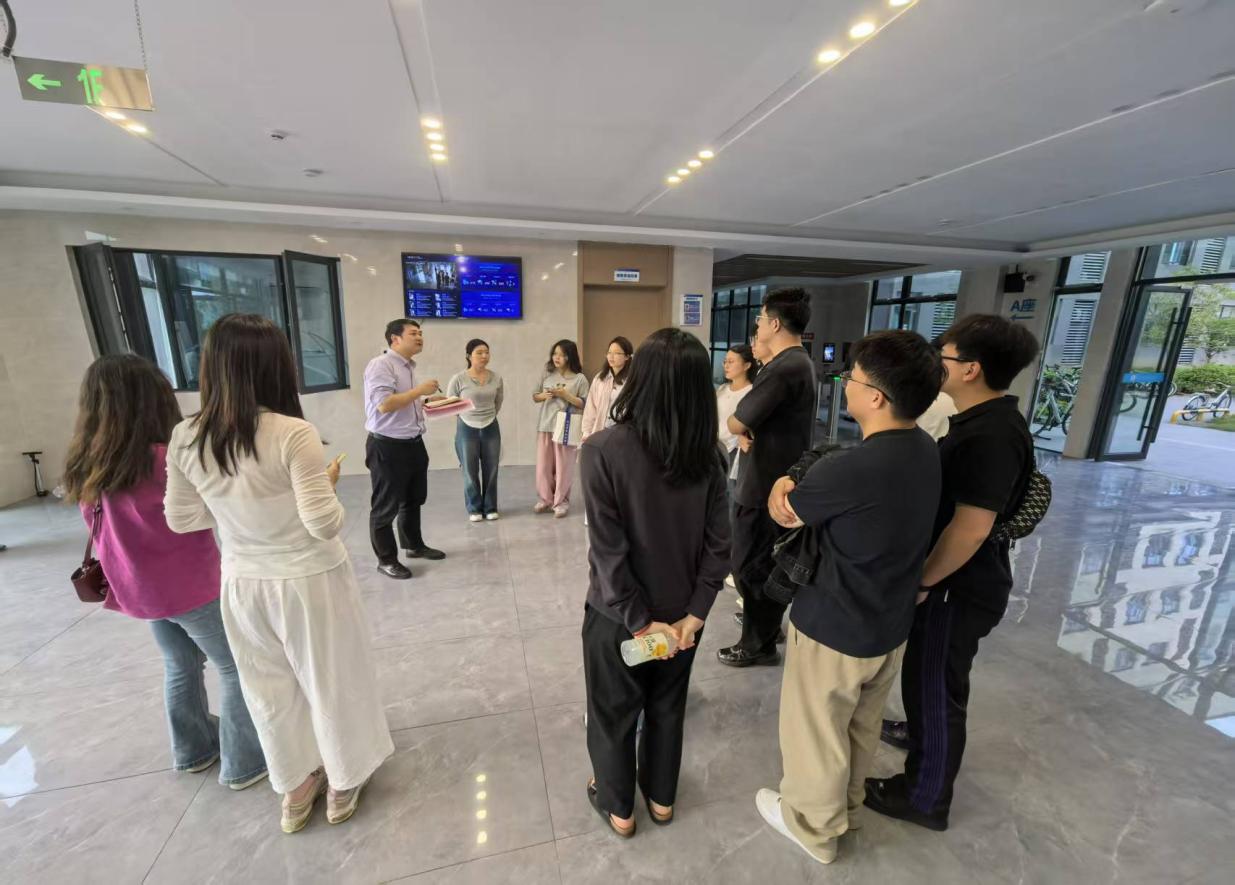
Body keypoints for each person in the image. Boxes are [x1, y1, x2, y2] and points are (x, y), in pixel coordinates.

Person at [165, 313, 394, 834]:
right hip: (309, 579)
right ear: (276, 367)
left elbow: (182, 519)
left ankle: (294, 787)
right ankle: (343, 780)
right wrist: (325, 484)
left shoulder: (186, 435)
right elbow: (323, 524)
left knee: (266, 688)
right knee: (331, 679)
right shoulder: (293, 432)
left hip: (242, 582)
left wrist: (236, 509)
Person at [755, 331, 943, 865]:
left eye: (851, 378)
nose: (846, 385)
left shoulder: (851, 468)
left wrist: (779, 485)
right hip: (890, 622)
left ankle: (813, 828)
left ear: (876, 397)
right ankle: (847, 808)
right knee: (860, 726)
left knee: (815, 730)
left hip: (834, 624)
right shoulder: (925, 450)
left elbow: (787, 513)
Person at [865, 314, 1039, 832]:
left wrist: (924, 581)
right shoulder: (983, 419)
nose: (937, 363)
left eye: (945, 355)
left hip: (957, 588)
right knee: (928, 682)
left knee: (936, 690)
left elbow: (971, 529)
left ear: (971, 369)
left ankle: (924, 798)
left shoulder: (991, 435)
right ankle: (921, 736)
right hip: (956, 582)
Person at [62, 354, 267, 791]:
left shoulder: (87, 462)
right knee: (237, 666)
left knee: (180, 664)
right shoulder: (166, 459)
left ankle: (193, 750)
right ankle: (244, 763)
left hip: (139, 590)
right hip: (192, 588)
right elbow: (218, 507)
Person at [580, 328, 730, 838]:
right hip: (684, 619)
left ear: (639, 379)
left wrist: (641, 623)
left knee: (612, 713)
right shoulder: (710, 455)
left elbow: (609, 553)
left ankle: (619, 807)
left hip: (619, 618)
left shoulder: (601, 450)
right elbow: (719, 546)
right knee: (667, 705)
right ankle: (661, 799)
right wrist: (696, 614)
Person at [718, 289, 816, 668]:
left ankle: (757, 644)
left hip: (764, 485)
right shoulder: (797, 363)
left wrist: (741, 424)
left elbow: (737, 421)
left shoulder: (782, 368)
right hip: (772, 477)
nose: (757, 326)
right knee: (759, 562)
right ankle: (766, 627)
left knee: (749, 565)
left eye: (759, 319)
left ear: (774, 323)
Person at [364, 319, 446, 580]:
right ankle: (386, 560)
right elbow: (384, 404)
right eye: (413, 333)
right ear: (395, 339)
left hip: (413, 442)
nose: (419, 337)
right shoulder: (381, 364)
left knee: (413, 499)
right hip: (387, 445)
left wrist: (426, 400)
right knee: (385, 506)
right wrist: (419, 390)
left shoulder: (408, 366)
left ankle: (414, 546)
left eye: (420, 333)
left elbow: (404, 401)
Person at [446, 339, 505, 522]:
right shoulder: (458, 378)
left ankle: (490, 507)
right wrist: (467, 417)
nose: (484, 356)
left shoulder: (496, 378)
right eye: (479, 352)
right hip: (466, 427)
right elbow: (450, 404)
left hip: (490, 426)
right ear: (468, 356)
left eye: (486, 352)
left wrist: (488, 416)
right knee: (469, 470)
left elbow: (498, 402)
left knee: (492, 469)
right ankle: (474, 508)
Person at [533, 339, 589, 517]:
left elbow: (584, 403)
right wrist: (544, 395)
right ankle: (545, 499)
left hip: (566, 427)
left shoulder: (580, 379)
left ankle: (561, 502)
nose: (557, 358)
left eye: (562, 355)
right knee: (543, 466)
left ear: (570, 357)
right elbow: (535, 396)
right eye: (555, 354)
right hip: (545, 425)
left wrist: (566, 395)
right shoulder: (547, 374)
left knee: (564, 467)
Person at [716, 344, 758, 513]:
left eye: (731, 362)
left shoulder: (751, 392)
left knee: (732, 499)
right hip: (716, 448)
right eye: (725, 361)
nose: (726, 365)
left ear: (747, 365)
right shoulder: (722, 389)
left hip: (735, 451)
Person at [581, 336, 633, 442]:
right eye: (609, 352)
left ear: (627, 356)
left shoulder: (632, 380)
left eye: (617, 353)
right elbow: (590, 408)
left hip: (622, 433)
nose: (611, 356)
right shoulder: (600, 378)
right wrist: (586, 432)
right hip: (600, 430)